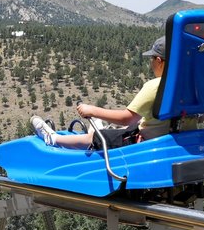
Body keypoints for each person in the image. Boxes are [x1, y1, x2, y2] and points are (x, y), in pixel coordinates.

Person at [31, 35, 174, 150]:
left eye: (152, 59)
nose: (151, 63)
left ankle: (52, 138)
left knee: (95, 138)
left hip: (147, 144)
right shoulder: (190, 85)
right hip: (174, 139)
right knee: (127, 128)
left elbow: (126, 117)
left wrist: (92, 110)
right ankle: (99, 130)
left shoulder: (155, 86)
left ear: (159, 61)